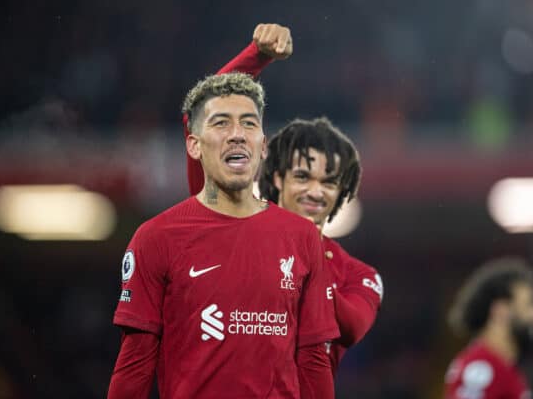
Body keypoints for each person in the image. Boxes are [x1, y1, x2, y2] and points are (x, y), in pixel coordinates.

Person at [108, 72, 339, 398]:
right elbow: (135, 363)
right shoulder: (156, 238)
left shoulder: (302, 237)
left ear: (263, 145)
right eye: (220, 123)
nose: (237, 135)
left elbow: (314, 358)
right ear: (193, 145)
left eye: (248, 123)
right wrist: (256, 54)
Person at [184, 24, 383, 396]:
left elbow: (353, 326)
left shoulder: (359, 274)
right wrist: (257, 57)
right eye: (302, 176)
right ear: (275, 177)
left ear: (343, 193)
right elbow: (200, 114)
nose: (315, 192)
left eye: (329, 182)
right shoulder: (226, 227)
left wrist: (301, 256)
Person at [444, 257, 533, 399]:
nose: (531, 316)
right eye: (528, 305)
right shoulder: (482, 369)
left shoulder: (503, 367)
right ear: (501, 311)